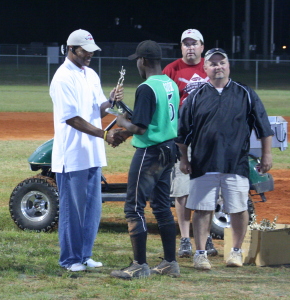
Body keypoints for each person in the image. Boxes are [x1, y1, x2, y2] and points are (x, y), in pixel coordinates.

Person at [176, 48, 273, 270]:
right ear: (206, 68)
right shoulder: (196, 96)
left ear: (228, 66)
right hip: (203, 163)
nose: (218, 66)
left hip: (235, 163)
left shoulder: (244, 93)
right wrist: (183, 159)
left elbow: (263, 127)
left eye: (222, 63)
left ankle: (236, 252)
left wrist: (267, 154)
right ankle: (200, 254)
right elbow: (182, 133)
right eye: (213, 63)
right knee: (202, 209)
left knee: (238, 209)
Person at [50, 29, 125, 272]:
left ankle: (84, 255)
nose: (90, 55)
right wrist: (104, 134)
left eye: (92, 51)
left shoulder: (91, 74)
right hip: (72, 155)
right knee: (73, 210)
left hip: (92, 153)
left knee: (92, 209)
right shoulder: (62, 78)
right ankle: (69, 259)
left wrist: (111, 101)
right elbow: (72, 118)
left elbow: (98, 110)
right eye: (85, 51)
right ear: (71, 49)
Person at [110, 40, 181, 279]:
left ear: (144, 61)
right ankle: (170, 262)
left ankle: (140, 265)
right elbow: (157, 118)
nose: (137, 65)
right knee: (161, 207)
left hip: (150, 153)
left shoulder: (147, 87)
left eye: (138, 60)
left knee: (134, 208)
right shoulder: (169, 83)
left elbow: (140, 128)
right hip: (169, 150)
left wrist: (121, 122)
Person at [162, 29, 217, 258]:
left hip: (208, 139)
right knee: (182, 190)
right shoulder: (171, 70)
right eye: (186, 44)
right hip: (182, 139)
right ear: (181, 47)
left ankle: (205, 237)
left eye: (194, 44)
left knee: (208, 189)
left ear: (202, 46)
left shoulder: (212, 66)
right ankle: (185, 239)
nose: (190, 48)